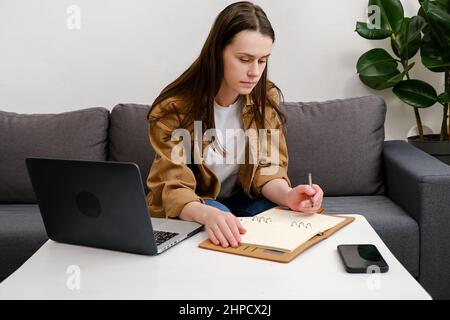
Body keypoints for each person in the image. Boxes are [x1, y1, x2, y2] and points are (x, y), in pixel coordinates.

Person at [146, 1, 324, 249]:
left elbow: (268, 167)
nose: (255, 72)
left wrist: (288, 196)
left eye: (262, 61)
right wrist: (207, 214)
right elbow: (174, 186)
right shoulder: (174, 109)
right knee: (221, 220)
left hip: (241, 199)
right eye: (244, 59)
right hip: (196, 203)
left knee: (281, 216)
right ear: (217, 53)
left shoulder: (265, 98)